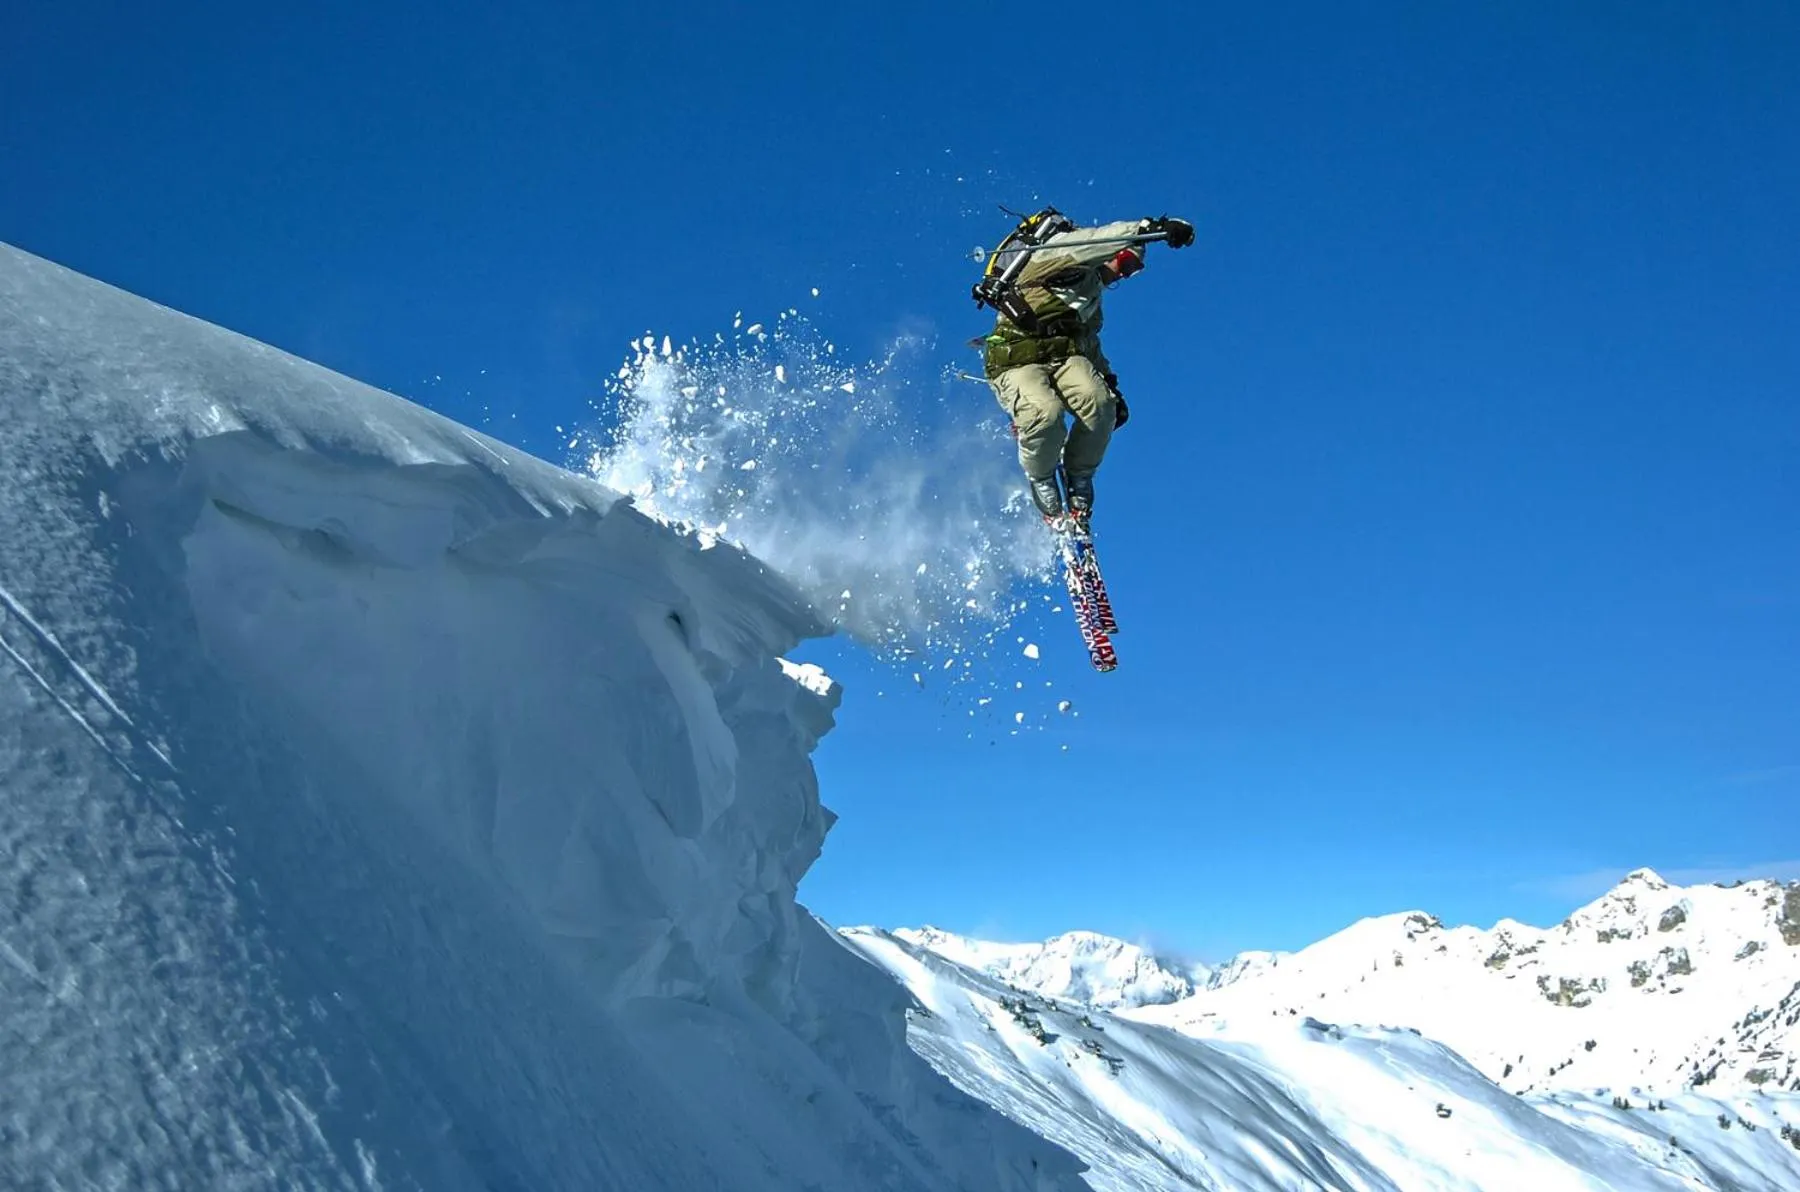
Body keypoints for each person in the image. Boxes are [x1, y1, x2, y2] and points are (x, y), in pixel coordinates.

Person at [980, 214, 1194, 526]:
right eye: (1126, 265)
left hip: (1063, 356)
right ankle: (1041, 476)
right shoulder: (1060, 253)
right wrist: (1150, 229)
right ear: (1110, 255)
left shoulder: (1090, 297)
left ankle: (1078, 473)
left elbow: (1088, 344)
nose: (1124, 275)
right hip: (1015, 357)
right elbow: (1100, 239)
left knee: (1100, 405)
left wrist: (1111, 385)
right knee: (1046, 414)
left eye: (1132, 272)